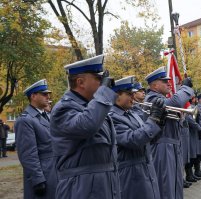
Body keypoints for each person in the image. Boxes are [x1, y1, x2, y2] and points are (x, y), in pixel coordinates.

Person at [50, 55, 120, 199]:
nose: (102, 85)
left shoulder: (94, 106)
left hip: (104, 186)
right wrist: (104, 93)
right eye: (98, 79)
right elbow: (87, 126)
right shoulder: (63, 108)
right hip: (80, 188)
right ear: (80, 82)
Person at [109, 76, 166, 199]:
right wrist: (153, 119)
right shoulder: (112, 118)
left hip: (145, 170)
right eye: (129, 94)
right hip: (130, 174)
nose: (132, 97)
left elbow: (148, 139)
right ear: (117, 95)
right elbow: (133, 140)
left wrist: (159, 123)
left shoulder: (132, 114)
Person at [144, 66, 194, 199]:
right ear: (154, 85)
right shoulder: (151, 98)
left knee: (176, 186)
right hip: (162, 148)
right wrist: (186, 87)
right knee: (166, 188)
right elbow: (176, 101)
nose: (169, 83)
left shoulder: (161, 98)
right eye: (164, 81)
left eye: (169, 81)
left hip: (172, 147)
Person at [14, 79, 57, 199]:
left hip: (53, 172)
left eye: (48, 94)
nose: (48, 96)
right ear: (33, 96)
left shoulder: (45, 116)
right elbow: (28, 154)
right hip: (43, 175)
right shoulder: (25, 120)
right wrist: (37, 180)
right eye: (44, 94)